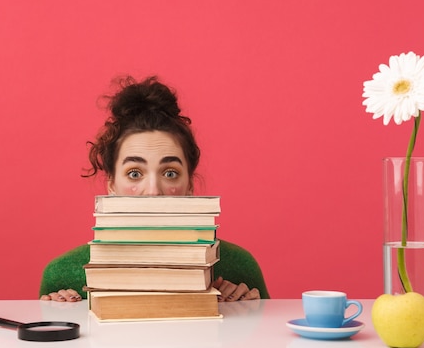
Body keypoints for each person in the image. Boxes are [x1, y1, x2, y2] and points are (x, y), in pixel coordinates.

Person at [40, 75, 269, 302]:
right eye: (134, 173)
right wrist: (57, 313)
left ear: (189, 185)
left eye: (170, 173)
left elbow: (265, 336)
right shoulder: (61, 274)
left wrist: (249, 315)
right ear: (111, 185)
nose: (153, 191)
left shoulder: (240, 269)